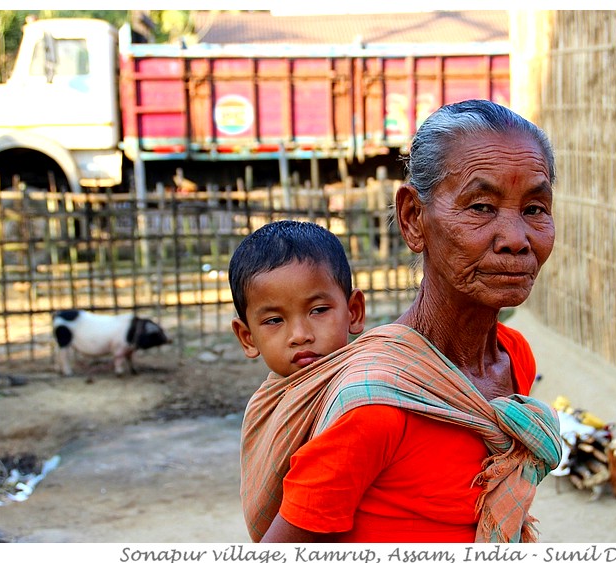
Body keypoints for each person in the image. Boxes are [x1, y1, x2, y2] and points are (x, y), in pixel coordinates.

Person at [240, 99, 562, 544]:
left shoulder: (514, 357)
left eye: (535, 209)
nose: (515, 239)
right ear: (413, 218)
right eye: (481, 207)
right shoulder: (376, 407)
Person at [228, 220, 366, 378]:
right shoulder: (267, 400)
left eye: (318, 310)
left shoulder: (365, 391)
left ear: (354, 312)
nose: (300, 336)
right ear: (248, 337)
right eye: (274, 320)